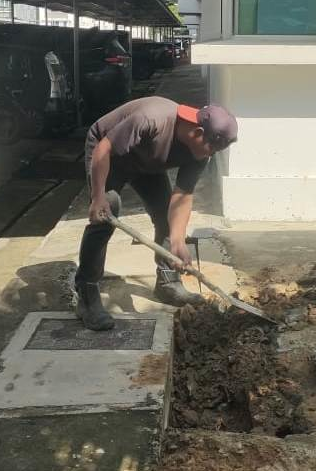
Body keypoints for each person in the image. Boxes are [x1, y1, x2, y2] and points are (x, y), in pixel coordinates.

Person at [76, 98, 237, 331]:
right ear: (198, 132)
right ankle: (87, 293)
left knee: (165, 215)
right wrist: (98, 195)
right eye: (211, 147)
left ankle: (167, 281)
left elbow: (183, 196)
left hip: (146, 163)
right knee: (107, 210)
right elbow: (104, 148)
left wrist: (178, 242)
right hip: (110, 155)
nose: (210, 153)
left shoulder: (202, 153)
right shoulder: (151, 120)